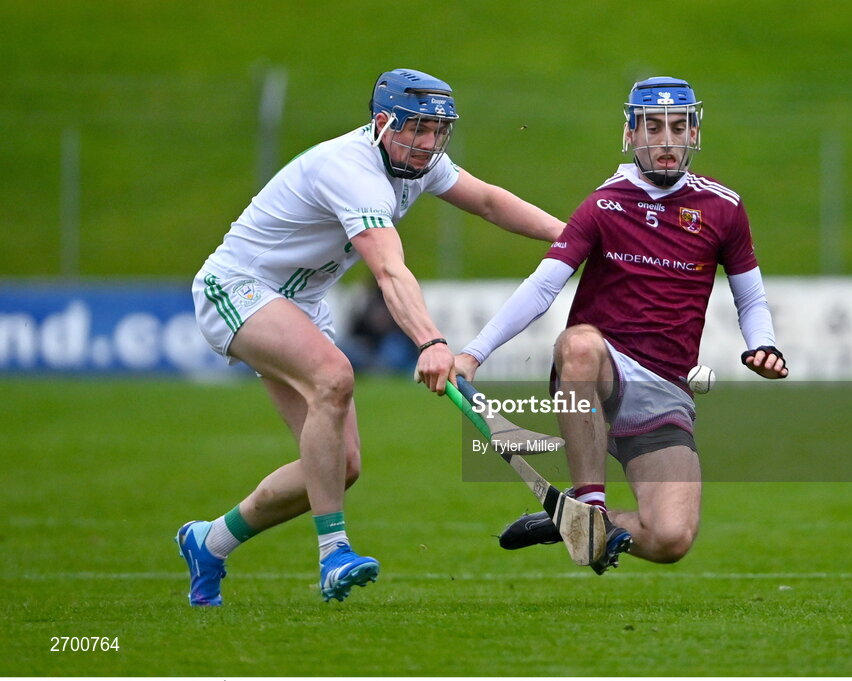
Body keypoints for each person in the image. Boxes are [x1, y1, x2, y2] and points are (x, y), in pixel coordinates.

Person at [177, 68, 564, 606]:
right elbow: (387, 270)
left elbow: (491, 202)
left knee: (342, 466)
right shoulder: (351, 169)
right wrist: (431, 342)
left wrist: (572, 239)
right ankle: (333, 554)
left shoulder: (417, 163)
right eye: (418, 129)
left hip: (300, 305)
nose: (429, 143)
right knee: (334, 376)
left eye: (438, 130)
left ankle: (209, 541)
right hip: (239, 287)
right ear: (384, 123)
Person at [454, 77, 788, 574]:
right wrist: (473, 353)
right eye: (652, 126)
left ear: (694, 132)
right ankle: (590, 506)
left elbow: (751, 297)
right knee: (580, 345)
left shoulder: (724, 208)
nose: (666, 140)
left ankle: (572, 520)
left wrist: (764, 345)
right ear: (630, 135)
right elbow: (543, 286)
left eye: (678, 127)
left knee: (670, 538)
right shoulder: (603, 205)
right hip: (599, 371)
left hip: (666, 388)